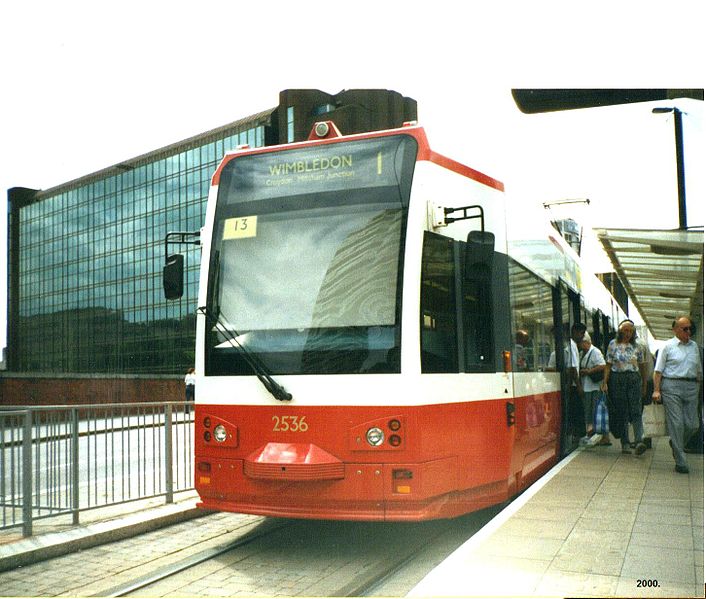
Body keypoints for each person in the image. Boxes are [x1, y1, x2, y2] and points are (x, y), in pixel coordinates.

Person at [652, 316, 703, 474]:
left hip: (692, 387)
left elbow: (699, 370)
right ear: (675, 329)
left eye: (690, 329)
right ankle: (681, 461)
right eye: (684, 328)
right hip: (671, 386)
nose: (688, 331)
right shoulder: (667, 346)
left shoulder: (695, 347)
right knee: (677, 423)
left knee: (693, 424)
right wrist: (656, 390)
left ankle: (676, 444)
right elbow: (658, 371)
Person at [602, 319, 648, 455]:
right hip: (618, 379)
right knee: (622, 410)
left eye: (630, 331)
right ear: (620, 331)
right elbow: (608, 365)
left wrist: (644, 384)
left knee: (636, 409)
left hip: (633, 378)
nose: (628, 333)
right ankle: (625, 442)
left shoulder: (637, 346)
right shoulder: (613, 344)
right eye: (625, 330)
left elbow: (642, 365)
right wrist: (605, 382)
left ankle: (639, 440)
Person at [579, 332, 609, 445]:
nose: (580, 345)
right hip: (586, 386)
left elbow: (603, 365)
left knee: (596, 411)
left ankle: (601, 435)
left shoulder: (595, 351)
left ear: (587, 342)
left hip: (595, 386)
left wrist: (589, 371)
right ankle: (591, 434)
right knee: (589, 411)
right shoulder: (582, 353)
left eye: (582, 342)